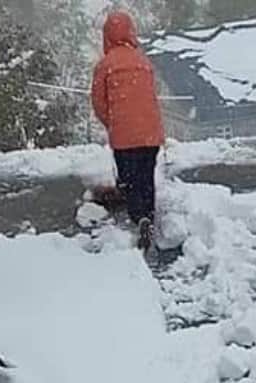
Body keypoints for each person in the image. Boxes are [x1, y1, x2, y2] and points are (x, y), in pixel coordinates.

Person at [91, 10, 165, 250]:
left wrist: (112, 124)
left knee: (130, 180)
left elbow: (99, 102)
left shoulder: (106, 64)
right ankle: (150, 216)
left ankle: (139, 217)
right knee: (146, 177)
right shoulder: (143, 61)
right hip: (151, 134)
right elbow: (151, 97)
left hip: (125, 136)